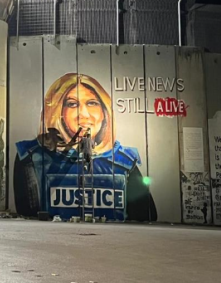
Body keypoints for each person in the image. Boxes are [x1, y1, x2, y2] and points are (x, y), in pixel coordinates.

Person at [14, 73, 156, 222]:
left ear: (104, 112)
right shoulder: (32, 157)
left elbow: (146, 215)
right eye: (72, 104)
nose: (83, 114)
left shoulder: (125, 162)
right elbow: (26, 213)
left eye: (92, 103)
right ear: (58, 112)